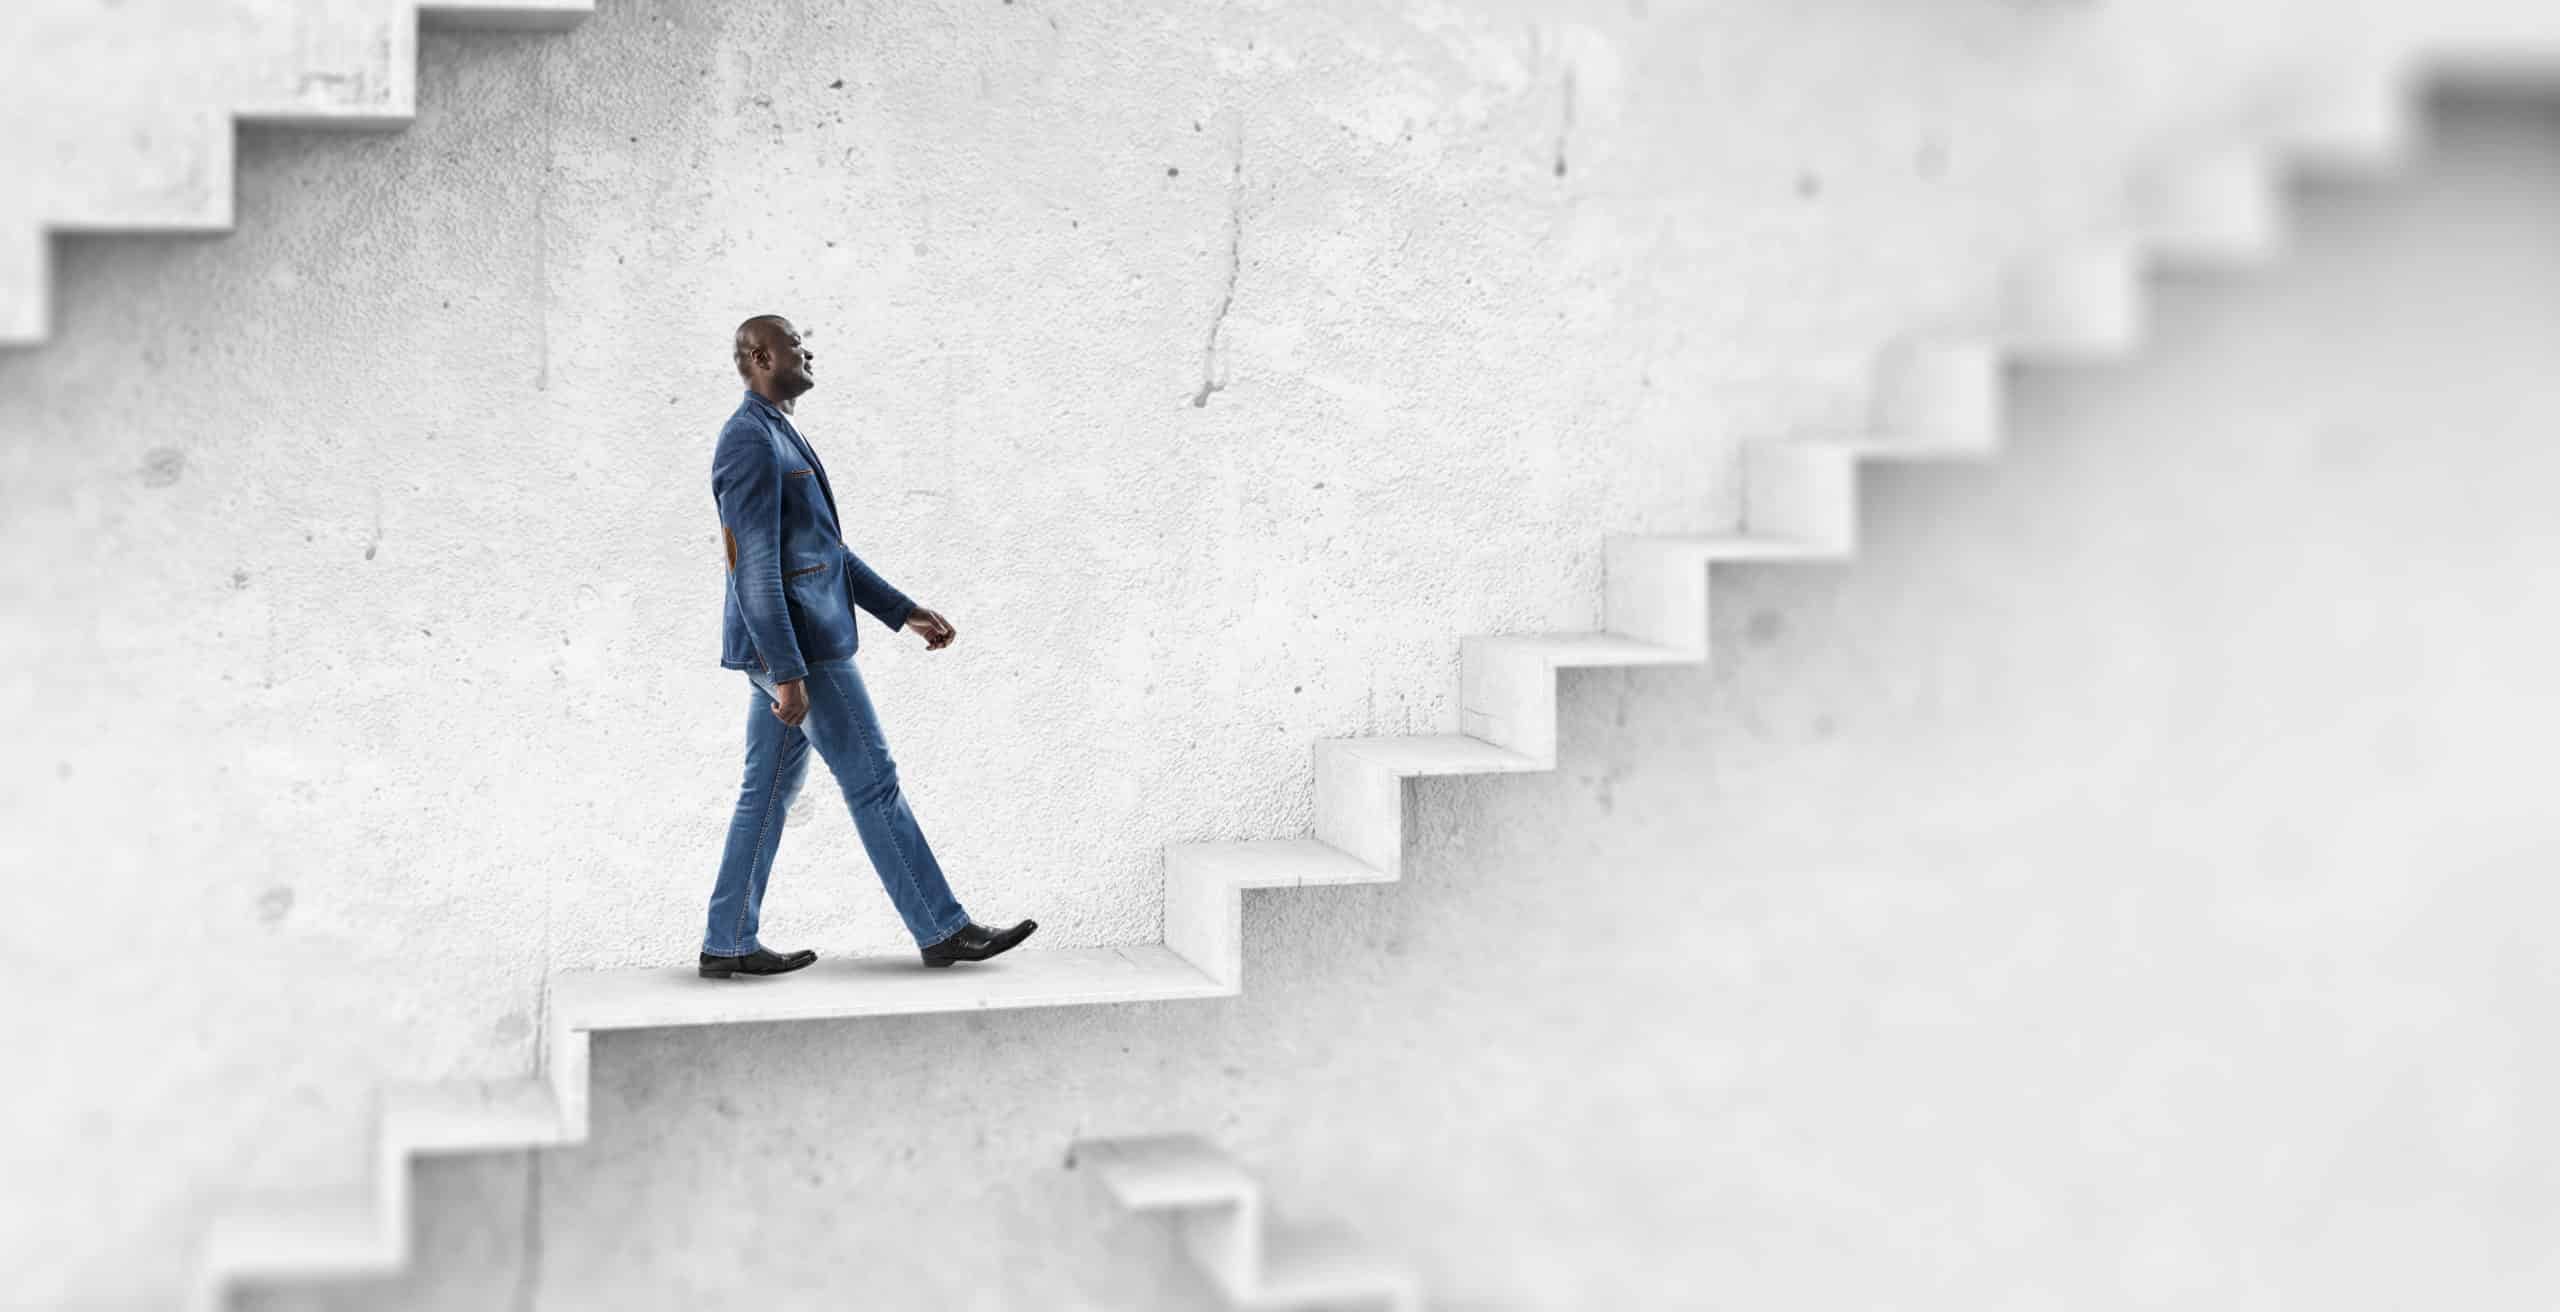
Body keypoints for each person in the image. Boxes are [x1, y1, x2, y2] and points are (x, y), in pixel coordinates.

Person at [700, 313, 1036, 979]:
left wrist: (903, 610)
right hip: (802, 650)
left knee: (765, 792)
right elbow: (756, 568)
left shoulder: (777, 433)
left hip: (794, 648)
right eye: (796, 343)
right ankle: (943, 928)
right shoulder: (748, 442)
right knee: (873, 783)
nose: (808, 349)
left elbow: (822, 553)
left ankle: (728, 939)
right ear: (762, 357)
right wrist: (790, 670)